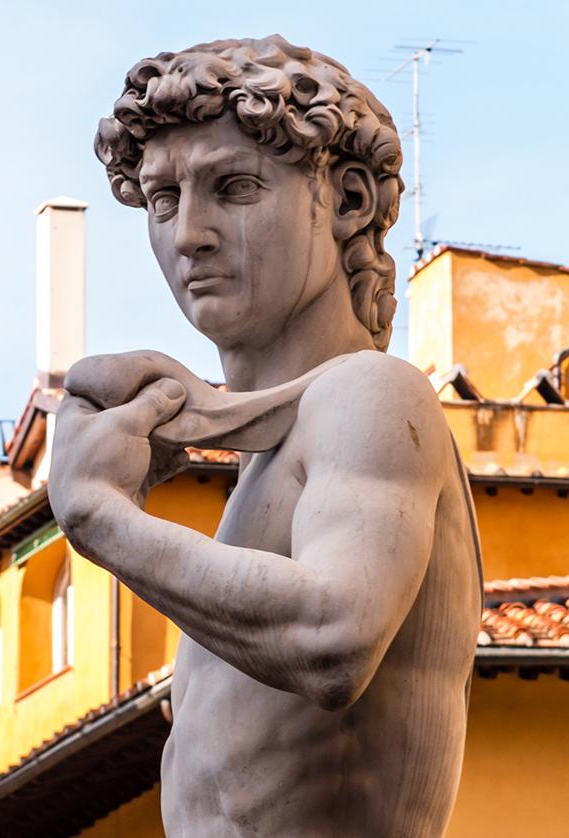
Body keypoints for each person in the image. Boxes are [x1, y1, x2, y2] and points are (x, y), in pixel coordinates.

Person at [50, 36, 480, 837]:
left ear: (348, 201)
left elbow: (333, 637)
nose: (189, 236)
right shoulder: (276, 458)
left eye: (234, 187)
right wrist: (203, 418)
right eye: (164, 200)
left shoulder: (371, 395)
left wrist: (102, 517)